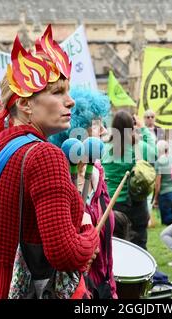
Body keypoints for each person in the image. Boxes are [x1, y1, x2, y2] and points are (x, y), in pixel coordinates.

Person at [0, 25, 99, 299]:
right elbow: (64, 255)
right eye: (58, 92)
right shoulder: (45, 156)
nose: (71, 101)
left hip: (0, 289)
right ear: (26, 105)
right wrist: (89, 233)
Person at [50, 87, 117, 299]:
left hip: (103, 285)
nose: (105, 131)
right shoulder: (58, 180)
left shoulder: (97, 172)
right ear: (77, 130)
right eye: (98, 125)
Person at [102, 109, 156, 250]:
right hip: (136, 204)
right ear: (132, 127)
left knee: (115, 248)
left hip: (112, 205)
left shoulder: (104, 149)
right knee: (139, 247)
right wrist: (143, 128)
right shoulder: (138, 148)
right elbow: (154, 153)